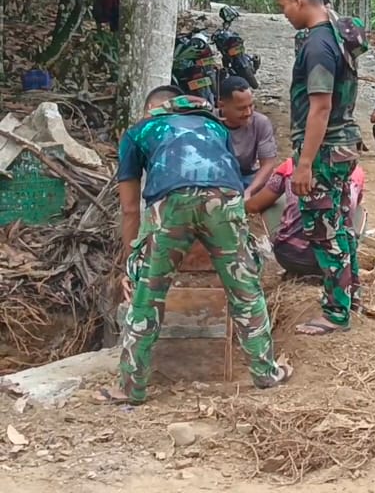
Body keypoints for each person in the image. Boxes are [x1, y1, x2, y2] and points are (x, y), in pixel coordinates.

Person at [97, 86, 290, 404]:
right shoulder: (215, 126)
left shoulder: (140, 131)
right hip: (226, 201)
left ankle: (132, 388)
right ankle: (265, 373)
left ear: (152, 109)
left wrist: (128, 265)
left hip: (171, 202)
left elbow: (130, 208)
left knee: (149, 294)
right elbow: (224, 176)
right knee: (245, 292)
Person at [274, 0, 362, 336]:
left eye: (284, 7)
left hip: (324, 150)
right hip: (343, 144)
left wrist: (304, 162)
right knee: (340, 222)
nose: (284, 15)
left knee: (323, 230)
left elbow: (320, 106)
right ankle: (349, 294)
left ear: (298, 0)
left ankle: (335, 312)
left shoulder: (318, 45)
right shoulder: (337, 33)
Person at [246, 159, 366, 286]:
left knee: (274, 199)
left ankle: (293, 244)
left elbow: (254, 206)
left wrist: (238, 203)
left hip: (290, 257)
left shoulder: (290, 166)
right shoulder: (356, 172)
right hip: (336, 260)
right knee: (357, 211)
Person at [219, 76, 277, 195]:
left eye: (251, 105)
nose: (248, 113)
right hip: (218, 179)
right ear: (221, 105)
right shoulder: (209, 123)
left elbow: (268, 164)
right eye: (241, 108)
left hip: (247, 177)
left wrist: (249, 192)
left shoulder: (261, 123)